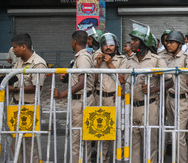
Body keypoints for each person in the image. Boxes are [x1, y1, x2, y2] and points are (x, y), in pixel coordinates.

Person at [125, 21, 173, 163]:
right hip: (132, 107)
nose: (131, 43)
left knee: (150, 142)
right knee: (133, 142)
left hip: (150, 107)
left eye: (134, 40)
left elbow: (170, 81)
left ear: (144, 43)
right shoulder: (130, 60)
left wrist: (154, 89)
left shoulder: (157, 61)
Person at [53, 30, 95, 163]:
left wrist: (61, 94)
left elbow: (82, 83)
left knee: (78, 139)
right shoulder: (80, 57)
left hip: (82, 101)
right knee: (80, 138)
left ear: (75, 42)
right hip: (80, 100)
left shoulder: (83, 57)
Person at [9, 33, 47, 162]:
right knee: (15, 142)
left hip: (29, 107)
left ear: (23, 46)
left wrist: (14, 89)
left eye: (15, 47)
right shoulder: (18, 61)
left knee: (30, 143)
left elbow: (37, 87)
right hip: (15, 106)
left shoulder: (38, 63)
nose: (13, 50)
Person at [94, 33, 127, 163]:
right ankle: (103, 160)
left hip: (114, 99)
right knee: (100, 133)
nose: (108, 47)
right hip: (99, 98)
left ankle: (118, 159)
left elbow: (123, 80)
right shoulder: (97, 58)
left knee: (117, 132)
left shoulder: (122, 59)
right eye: (106, 45)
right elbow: (93, 81)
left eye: (111, 45)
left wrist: (111, 64)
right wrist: (97, 65)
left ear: (116, 46)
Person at [165, 31, 188, 161]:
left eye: (172, 42)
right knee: (173, 134)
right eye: (168, 42)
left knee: (179, 135)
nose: (168, 45)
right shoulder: (170, 58)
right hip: (170, 98)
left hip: (182, 100)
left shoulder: (186, 57)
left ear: (180, 44)